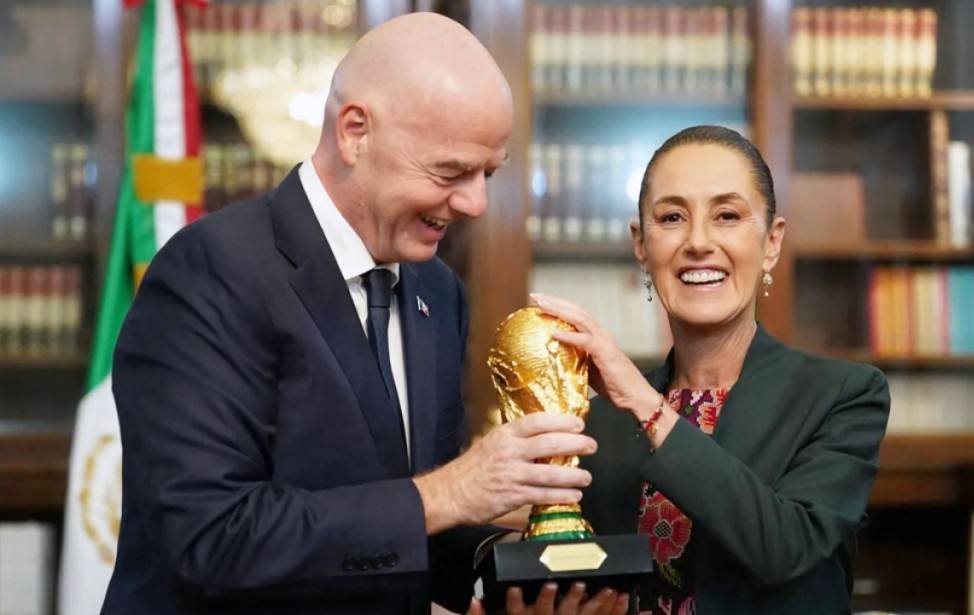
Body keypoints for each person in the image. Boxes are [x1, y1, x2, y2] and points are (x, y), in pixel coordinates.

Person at [102, 12, 625, 615]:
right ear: (355, 133)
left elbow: (415, 525)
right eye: (451, 171)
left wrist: (523, 569)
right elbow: (209, 536)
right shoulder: (212, 269)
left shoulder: (438, 291)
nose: (476, 203)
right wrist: (452, 492)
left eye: (488, 173)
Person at [533, 125, 890, 614]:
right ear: (641, 245)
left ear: (771, 242)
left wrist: (646, 405)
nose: (698, 242)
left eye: (727, 216)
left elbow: (784, 548)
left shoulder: (841, 395)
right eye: (672, 217)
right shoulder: (597, 424)